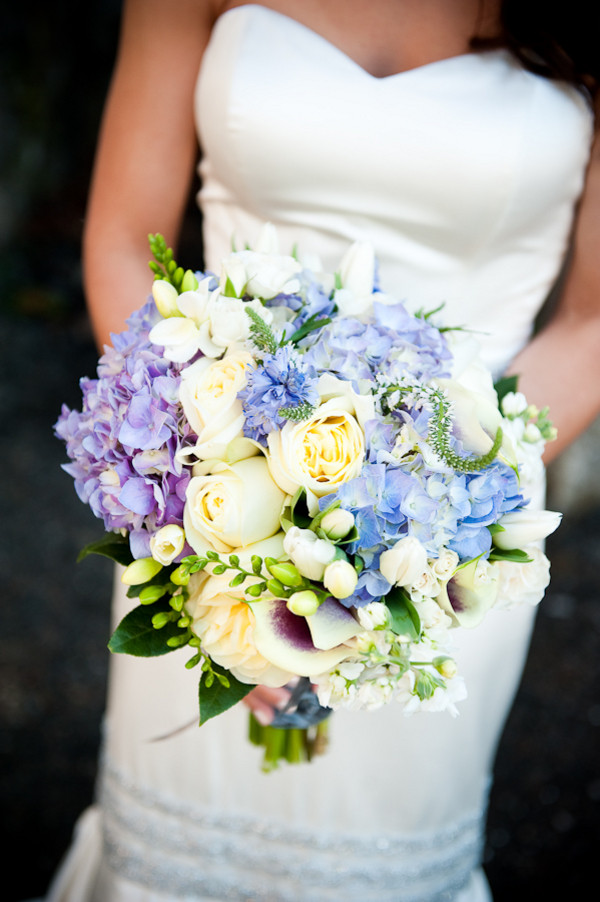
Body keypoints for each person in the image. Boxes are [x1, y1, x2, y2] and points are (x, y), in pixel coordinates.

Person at [48, 1, 600, 899]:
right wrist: (205, 483)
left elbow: (592, 319)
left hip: (453, 540)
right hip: (202, 509)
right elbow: (122, 238)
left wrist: (443, 515)